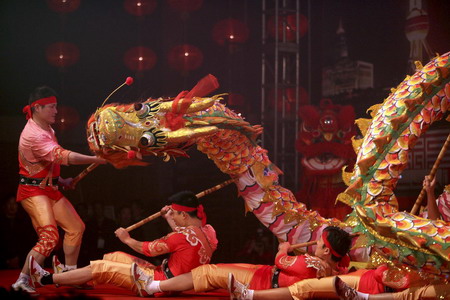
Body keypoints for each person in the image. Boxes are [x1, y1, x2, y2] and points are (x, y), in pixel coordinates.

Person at [28, 191, 218, 296]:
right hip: (166, 277)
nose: (174, 218)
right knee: (114, 257)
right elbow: (184, 239)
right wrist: (170, 218)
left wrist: (126, 238)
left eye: (175, 214)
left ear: (183, 215)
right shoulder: (209, 231)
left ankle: (44, 278)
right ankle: (73, 278)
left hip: (156, 284)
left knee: (104, 266)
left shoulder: (180, 236)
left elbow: (148, 249)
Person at [11, 86, 107, 293]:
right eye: (52, 107)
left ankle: (68, 275)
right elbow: (63, 156)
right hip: (32, 191)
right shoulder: (33, 134)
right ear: (37, 108)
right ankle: (22, 280)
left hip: (48, 189)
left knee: (75, 228)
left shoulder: (47, 128)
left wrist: (60, 181)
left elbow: (47, 162)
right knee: (49, 238)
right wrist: (96, 159)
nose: (56, 111)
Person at [130, 226, 352, 297]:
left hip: (262, 281)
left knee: (209, 272)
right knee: (211, 272)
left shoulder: (312, 264)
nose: (316, 245)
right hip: (266, 275)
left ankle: (153, 287)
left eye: (320, 244)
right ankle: (157, 286)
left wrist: (283, 249)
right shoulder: (334, 268)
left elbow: (281, 261)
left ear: (325, 250)